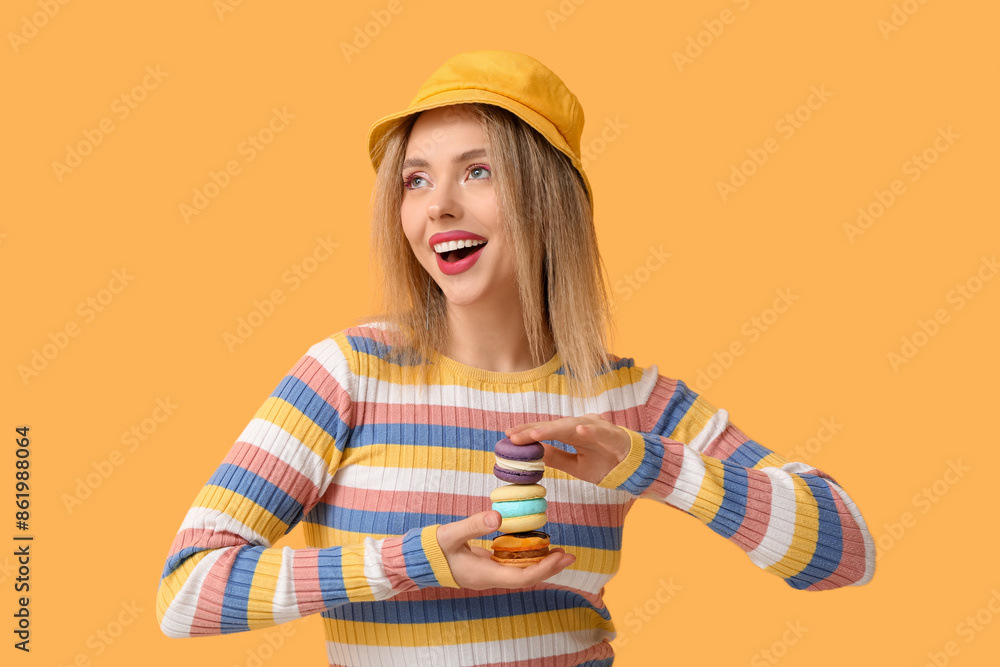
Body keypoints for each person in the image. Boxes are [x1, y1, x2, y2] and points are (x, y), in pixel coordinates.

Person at [155, 50, 875, 665]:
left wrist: (653, 465)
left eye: (477, 171)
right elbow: (188, 591)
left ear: (548, 198)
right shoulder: (348, 375)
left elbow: (845, 553)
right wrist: (413, 559)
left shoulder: (630, 399)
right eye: (415, 179)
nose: (436, 206)